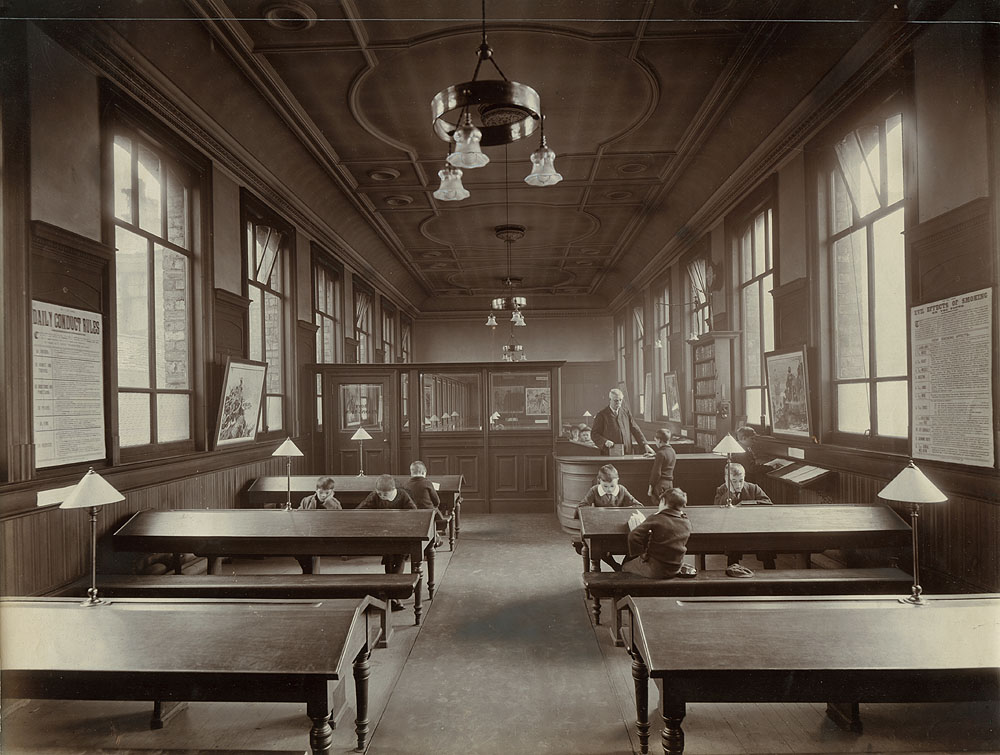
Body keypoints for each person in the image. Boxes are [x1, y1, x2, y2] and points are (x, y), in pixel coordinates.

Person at [358, 474, 418, 610]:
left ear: (393, 490)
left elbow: (414, 513)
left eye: (385, 494)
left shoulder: (402, 495)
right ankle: (392, 593)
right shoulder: (375, 495)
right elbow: (360, 510)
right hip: (383, 535)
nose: (381, 496)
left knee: (399, 559)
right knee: (389, 560)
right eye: (379, 493)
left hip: (401, 535)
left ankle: (394, 593)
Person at [712, 462, 773, 577]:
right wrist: (729, 492)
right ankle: (732, 575)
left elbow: (768, 504)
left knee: (767, 550)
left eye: (741, 480)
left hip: (753, 528)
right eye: (734, 481)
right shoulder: (721, 490)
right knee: (733, 552)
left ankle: (771, 576)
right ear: (726, 479)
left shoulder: (753, 488)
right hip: (734, 530)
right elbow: (717, 507)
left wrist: (746, 505)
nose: (738, 485)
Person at [578, 464, 643, 571]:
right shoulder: (594, 490)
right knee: (598, 547)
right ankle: (616, 566)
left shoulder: (621, 490)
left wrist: (624, 512)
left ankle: (623, 567)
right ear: (599, 481)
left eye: (612, 486)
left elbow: (638, 506)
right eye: (605, 486)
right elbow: (581, 506)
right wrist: (595, 513)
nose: (609, 489)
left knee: (635, 544)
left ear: (617, 480)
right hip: (601, 529)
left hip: (618, 528)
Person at [622, 488, 697, 579]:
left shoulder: (656, 518)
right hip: (675, 569)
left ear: (663, 501)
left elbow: (633, 536)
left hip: (655, 570)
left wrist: (641, 555)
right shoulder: (686, 521)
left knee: (625, 566)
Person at [293, 476, 342, 574]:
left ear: (332, 492)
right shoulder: (306, 500)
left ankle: (308, 571)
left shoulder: (335, 504)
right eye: (320, 492)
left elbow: (339, 521)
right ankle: (307, 570)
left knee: (309, 550)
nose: (323, 495)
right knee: (297, 548)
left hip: (326, 536)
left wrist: (328, 503)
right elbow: (300, 517)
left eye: (327, 493)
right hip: (309, 534)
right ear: (316, 490)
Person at [590, 388, 654, 457]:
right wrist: (605, 441)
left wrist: (645, 445)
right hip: (610, 454)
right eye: (616, 400)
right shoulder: (602, 415)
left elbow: (635, 429)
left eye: (620, 400)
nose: (619, 403)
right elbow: (594, 434)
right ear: (610, 400)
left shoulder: (626, 412)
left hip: (627, 452)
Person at [403, 460, 445, 548]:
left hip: (412, 514)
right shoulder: (427, 483)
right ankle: (435, 540)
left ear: (411, 472)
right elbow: (436, 501)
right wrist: (435, 505)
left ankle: (434, 538)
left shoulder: (406, 485)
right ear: (423, 472)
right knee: (432, 522)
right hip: (428, 513)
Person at [647, 428, 677, 506]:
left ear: (659, 440)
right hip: (669, 484)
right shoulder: (672, 451)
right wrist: (655, 455)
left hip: (660, 485)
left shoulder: (660, 454)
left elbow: (656, 473)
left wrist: (651, 486)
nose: (656, 442)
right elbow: (666, 457)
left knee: (659, 506)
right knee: (667, 505)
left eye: (656, 440)